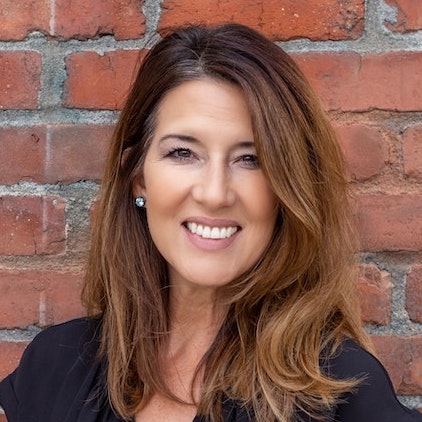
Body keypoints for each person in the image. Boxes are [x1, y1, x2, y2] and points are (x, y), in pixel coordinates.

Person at [0, 23, 421, 422]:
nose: (215, 193)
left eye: (251, 159)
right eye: (183, 153)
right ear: (138, 177)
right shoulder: (55, 366)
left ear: (286, 190)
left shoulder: (342, 393)